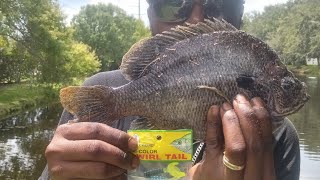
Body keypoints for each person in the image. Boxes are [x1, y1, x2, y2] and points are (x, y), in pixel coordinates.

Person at [40, 0, 300, 179]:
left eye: (221, 3)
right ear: (150, 12)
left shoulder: (275, 139)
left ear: (240, 14)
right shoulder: (101, 90)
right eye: (172, 2)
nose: (197, 18)